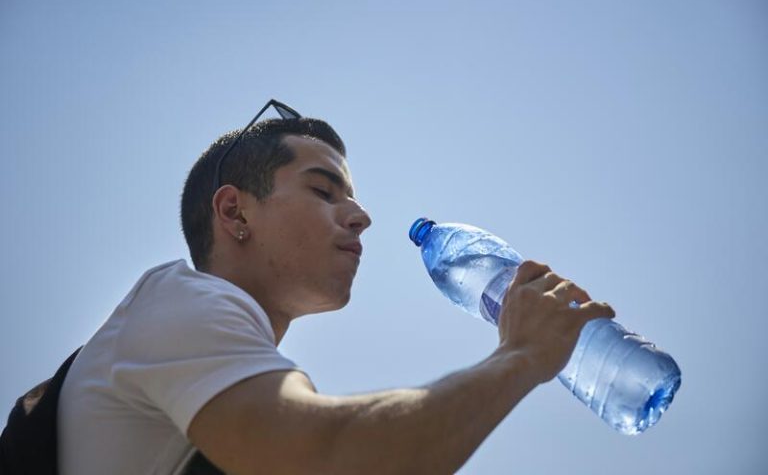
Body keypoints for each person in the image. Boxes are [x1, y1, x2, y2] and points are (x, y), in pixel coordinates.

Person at [57, 100, 615, 475]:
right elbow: (329, 456)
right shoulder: (181, 299)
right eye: (325, 192)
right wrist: (521, 357)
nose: (361, 216)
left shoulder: (220, 380)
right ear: (234, 212)